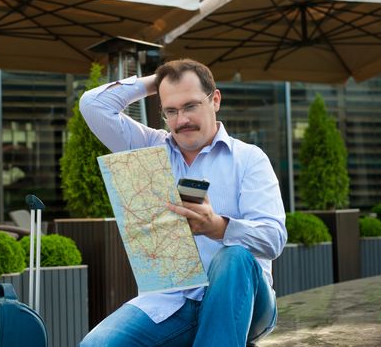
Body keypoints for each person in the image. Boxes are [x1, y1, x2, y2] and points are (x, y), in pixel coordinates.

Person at [78, 59, 287, 346]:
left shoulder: (249, 159)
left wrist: (219, 227)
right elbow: (93, 104)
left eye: (190, 106)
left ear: (214, 100)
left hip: (246, 300)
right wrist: (159, 81)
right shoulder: (148, 149)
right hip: (172, 301)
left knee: (234, 256)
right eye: (171, 111)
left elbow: (274, 239)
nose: (181, 120)